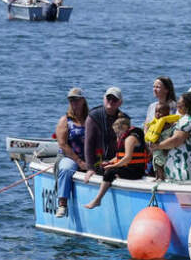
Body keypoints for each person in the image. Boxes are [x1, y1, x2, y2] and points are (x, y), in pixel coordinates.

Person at [84, 114, 148, 209]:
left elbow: (127, 158)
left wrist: (113, 166)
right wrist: (109, 162)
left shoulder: (130, 139)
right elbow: (119, 156)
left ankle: (98, 200)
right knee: (100, 168)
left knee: (110, 172)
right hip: (126, 167)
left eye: (118, 132)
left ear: (124, 128)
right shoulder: (125, 137)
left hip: (135, 171)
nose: (117, 135)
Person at [53, 88, 89, 218]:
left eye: (76, 100)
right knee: (67, 168)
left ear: (83, 101)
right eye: (71, 100)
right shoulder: (65, 120)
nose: (73, 103)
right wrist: (79, 162)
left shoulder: (90, 119)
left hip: (88, 157)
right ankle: (62, 203)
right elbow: (62, 144)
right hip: (69, 156)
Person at [150, 91, 191, 182]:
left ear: (186, 105)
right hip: (182, 158)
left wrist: (157, 146)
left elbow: (176, 140)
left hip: (183, 160)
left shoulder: (187, 121)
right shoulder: (185, 119)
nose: (177, 104)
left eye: (180, 102)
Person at [84, 87, 125, 172]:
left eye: (114, 99)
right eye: (108, 98)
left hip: (116, 161)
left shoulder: (124, 119)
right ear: (104, 99)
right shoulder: (93, 116)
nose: (110, 101)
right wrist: (90, 169)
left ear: (120, 102)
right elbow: (89, 143)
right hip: (97, 161)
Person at [147, 102, 176, 181]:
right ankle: (157, 177)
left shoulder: (167, 125)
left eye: (160, 112)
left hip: (163, 149)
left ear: (167, 113)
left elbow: (168, 137)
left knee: (160, 164)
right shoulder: (155, 123)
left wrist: (165, 149)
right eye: (156, 111)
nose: (157, 114)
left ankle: (161, 178)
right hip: (155, 150)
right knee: (155, 163)